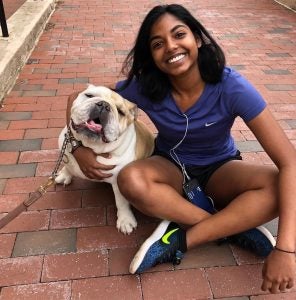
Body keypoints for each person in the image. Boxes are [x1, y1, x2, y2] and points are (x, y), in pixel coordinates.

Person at [67, 4, 296, 294]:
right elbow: (77, 95)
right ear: (151, 54)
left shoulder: (232, 86)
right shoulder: (146, 86)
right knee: (130, 180)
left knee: (279, 188)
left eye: (179, 34)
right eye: (158, 43)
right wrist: (76, 148)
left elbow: (290, 163)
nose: (171, 46)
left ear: (197, 38)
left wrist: (287, 249)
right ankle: (231, 226)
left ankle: (179, 239)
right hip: (170, 165)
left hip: (221, 167)